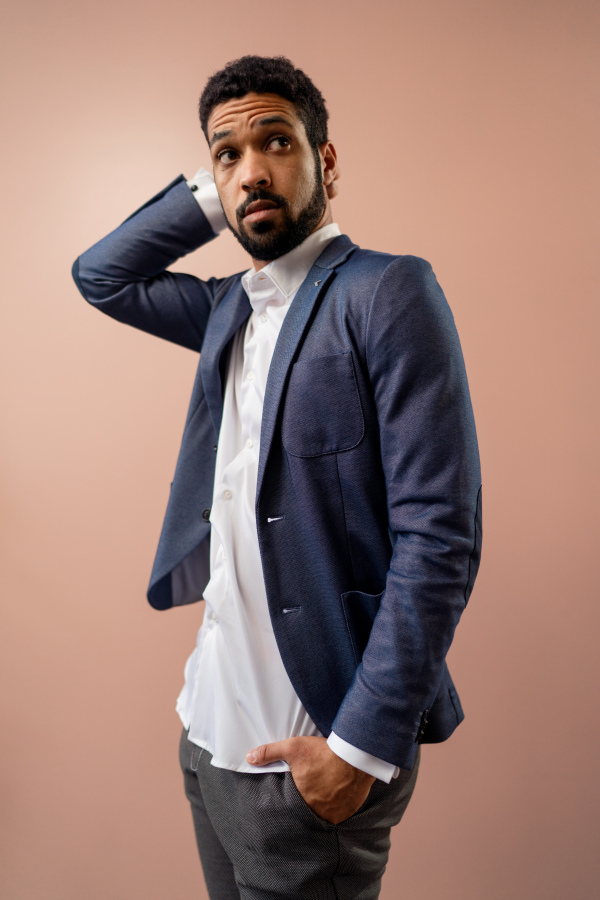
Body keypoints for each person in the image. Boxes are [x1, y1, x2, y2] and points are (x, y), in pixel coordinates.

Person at [72, 55, 482, 900]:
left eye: (277, 143)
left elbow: (439, 538)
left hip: (309, 756)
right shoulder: (228, 306)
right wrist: (217, 186)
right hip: (208, 732)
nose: (253, 169)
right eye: (230, 155)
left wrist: (357, 752)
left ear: (326, 162)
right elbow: (101, 275)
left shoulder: (385, 292)